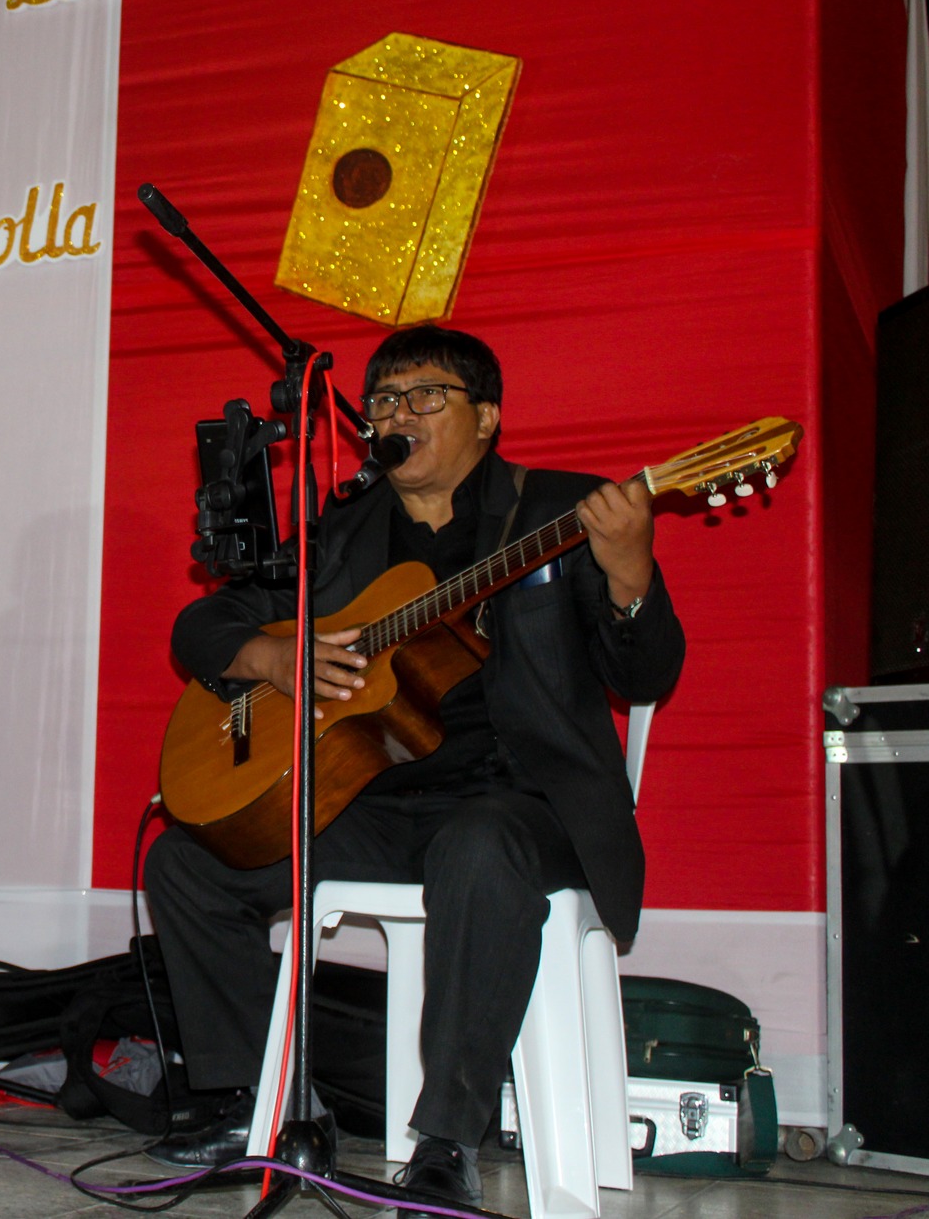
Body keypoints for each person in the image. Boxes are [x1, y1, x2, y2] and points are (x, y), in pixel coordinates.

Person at [144, 326, 685, 1213]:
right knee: (188, 859)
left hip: (522, 802)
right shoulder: (344, 531)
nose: (398, 415)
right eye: (385, 402)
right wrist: (270, 658)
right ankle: (256, 1104)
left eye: (424, 397)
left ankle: (443, 1142)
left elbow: (645, 676)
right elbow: (202, 629)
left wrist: (630, 576)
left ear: (488, 416)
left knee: (478, 846)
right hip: (383, 797)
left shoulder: (559, 508)